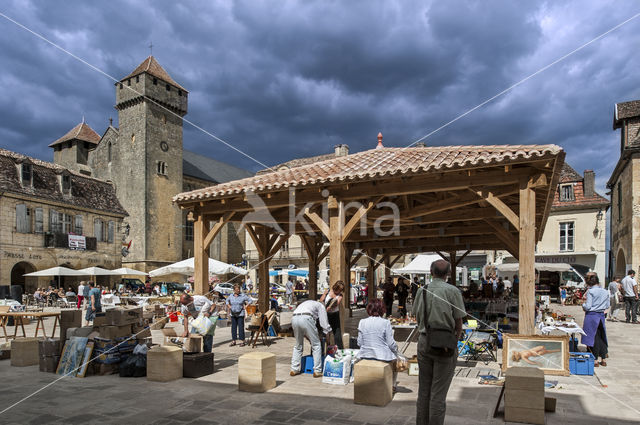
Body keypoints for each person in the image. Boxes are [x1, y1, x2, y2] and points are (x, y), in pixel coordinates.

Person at [412, 260, 466, 425]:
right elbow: (459, 323)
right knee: (438, 393)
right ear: (449, 273)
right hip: (445, 342)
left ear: (431, 271)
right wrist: (454, 341)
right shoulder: (452, 291)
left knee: (424, 391)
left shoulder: (423, 290)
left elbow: (416, 315)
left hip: (424, 339)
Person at [356, 299, 399, 390]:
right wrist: (396, 351)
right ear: (382, 309)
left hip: (365, 355)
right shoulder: (386, 323)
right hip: (382, 356)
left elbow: (359, 342)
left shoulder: (362, 322)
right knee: (396, 360)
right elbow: (391, 344)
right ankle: (392, 386)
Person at [289, 299, 331, 377]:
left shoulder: (308, 303)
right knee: (316, 345)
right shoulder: (321, 306)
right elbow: (324, 324)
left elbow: (304, 329)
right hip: (307, 318)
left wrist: (309, 337)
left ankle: (294, 369)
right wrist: (328, 337)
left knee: (298, 346)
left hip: (294, 318)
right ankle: (317, 371)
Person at [582, 274, 610, 367]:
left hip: (591, 315)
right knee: (601, 336)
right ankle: (604, 358)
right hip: (601, 315)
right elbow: (607, 305)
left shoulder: (591, 291)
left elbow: (588, 306)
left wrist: (583, 305)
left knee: (593, 338)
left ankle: (595, 359)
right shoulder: (605, 291)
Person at [320, 280, 344, 348]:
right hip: (326, 314)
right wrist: (324, 294)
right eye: (338, 289)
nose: (339, 291)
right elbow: (321, 300)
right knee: (324, 331)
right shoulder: (328, 291)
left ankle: (339, 349)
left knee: (337, 332)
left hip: (334, 314)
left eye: (341, 290)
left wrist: (330, 307)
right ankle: (324, 348)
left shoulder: (340, 295)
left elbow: (337, 303)